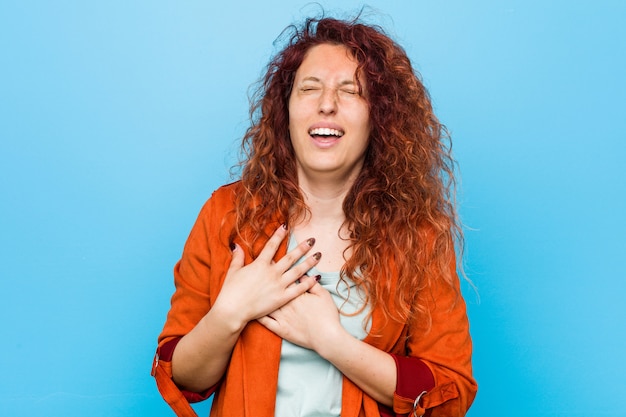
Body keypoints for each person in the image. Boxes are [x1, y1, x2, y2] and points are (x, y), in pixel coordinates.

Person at [152, 15, 477, 417]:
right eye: (309, 88)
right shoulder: (226, 214)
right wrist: (229, 313)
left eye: (351, 91)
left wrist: (331, 341)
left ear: (380, 116)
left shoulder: (420, 236)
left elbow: (450, 391)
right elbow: (181, 377)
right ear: (284, 110)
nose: (327, 103)